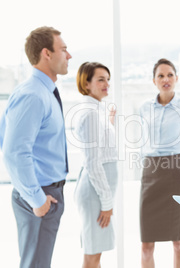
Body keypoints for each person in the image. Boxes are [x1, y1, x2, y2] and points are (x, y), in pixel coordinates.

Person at [0, 26, 71, 268]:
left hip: (47, 193)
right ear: (46, 54)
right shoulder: (32, 95)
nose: (69, 56)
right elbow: (13, 152)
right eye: (63, 49)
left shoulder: (43, 92)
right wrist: (37, 199)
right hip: (40, 195)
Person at [139, 58, 180, 268]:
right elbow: (141, 142)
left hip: (175, 173)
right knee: (146, 245)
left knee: (178, 242)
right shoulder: (144, 107)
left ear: (176, 78)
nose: (166, 79)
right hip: (150, 174)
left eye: (170, 75)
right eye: (161, 76)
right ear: (154, 80)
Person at [73, 62, 118, 268]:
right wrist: (107, 203)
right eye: (101, 79)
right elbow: (93, 163)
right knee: (93, 256)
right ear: (87, 83)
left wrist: (110, 121)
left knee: (95, 254)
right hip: (96, 195)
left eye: (108, 79)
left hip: (97, 193)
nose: (106, 83)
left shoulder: (95, 111)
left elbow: (101, 146)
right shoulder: (91, 114)